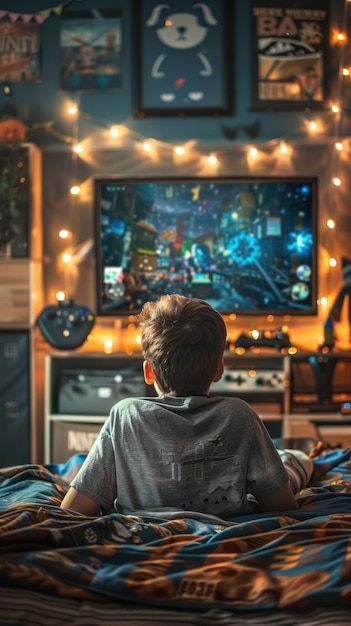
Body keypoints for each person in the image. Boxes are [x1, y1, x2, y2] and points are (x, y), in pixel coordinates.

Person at [61, 295, 307, 519]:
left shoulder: (125, 415)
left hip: (143, 532)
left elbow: (73, 509)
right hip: (224, 527)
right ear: (220, 368)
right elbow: (282, 506)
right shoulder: (240, 414)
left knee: (83, 466)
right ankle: (298, 459)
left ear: (149, 372)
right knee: (295, 462)